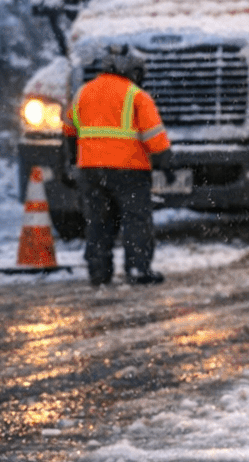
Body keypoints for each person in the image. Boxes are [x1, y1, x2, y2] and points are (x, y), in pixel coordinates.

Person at [63, 45, 174, 287]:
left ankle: (99, 273)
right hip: (129, 170)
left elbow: (69, 129)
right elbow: (154, 136)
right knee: (135, 221)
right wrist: (166, 165)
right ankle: (137, 269)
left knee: (98, 223)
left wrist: (72, 158)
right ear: (132, 72)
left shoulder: (83, 93)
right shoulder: (137, 96)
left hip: (90, 170)